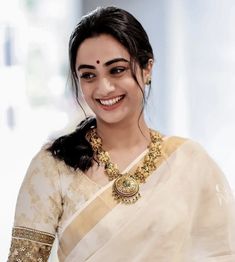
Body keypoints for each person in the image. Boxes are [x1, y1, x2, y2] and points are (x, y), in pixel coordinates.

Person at [8, 6, 235, 262]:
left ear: (147, 68)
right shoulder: (53, 166)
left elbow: (221, 253)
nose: (104, 87)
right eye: (88, 75)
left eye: (116, 70)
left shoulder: (190, 162)